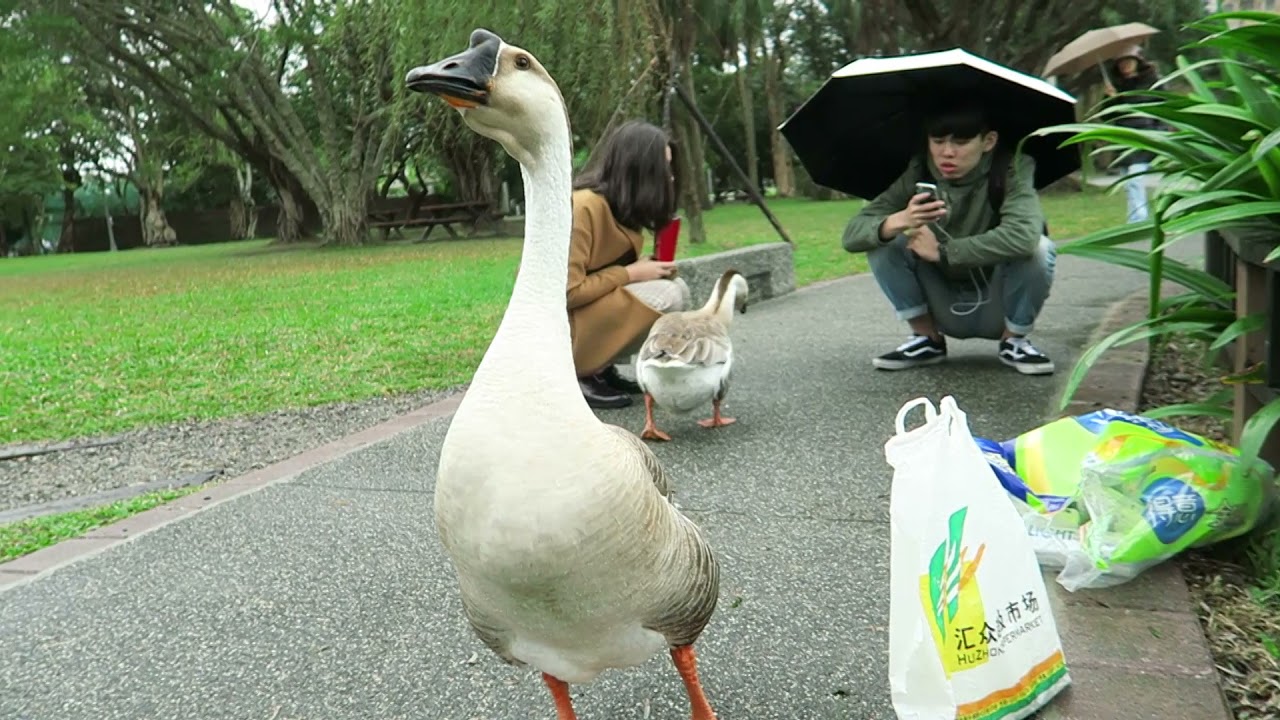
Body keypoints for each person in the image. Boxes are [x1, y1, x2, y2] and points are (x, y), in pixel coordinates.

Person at [841, 101, 1057, 375]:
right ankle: (926, 338)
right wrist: (900, 220)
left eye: (962, 141)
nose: (947, 152)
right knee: (884, 241)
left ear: (988, 141)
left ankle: (1014, 340)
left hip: (998, 299)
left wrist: (946, 251)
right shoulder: (919, 171)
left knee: (1039, 248)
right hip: (941, 300)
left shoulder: (1012, 168)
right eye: (938, 140)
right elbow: (852, 235)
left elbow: (1024, 236)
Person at [567, 120, 693, 409]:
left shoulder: (617, 206)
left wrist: (644, 269)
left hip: (585, 315)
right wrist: (630, 273)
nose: (670, 178)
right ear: (639, 169)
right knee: (668, 295)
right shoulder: (583, 207)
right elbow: (567, 291)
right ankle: (578, 371)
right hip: (562, 328)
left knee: (677, 288)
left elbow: (600, 271)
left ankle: (601, 367)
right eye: (664, 168)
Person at [1103, 46, 1161, 223]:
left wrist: (1159, 134)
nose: (1125, 65)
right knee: (1128, 183)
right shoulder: (1115, 87)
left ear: (1137, 62)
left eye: (1129, 61)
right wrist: (1109, 99)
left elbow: (1163, 109)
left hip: (1144, 136)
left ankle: (1139, 221)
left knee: (1135, 180)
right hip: (1122, 138)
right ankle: (1133, 220)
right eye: (1122, 62)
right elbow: (1107, 116)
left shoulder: (1151, 82)